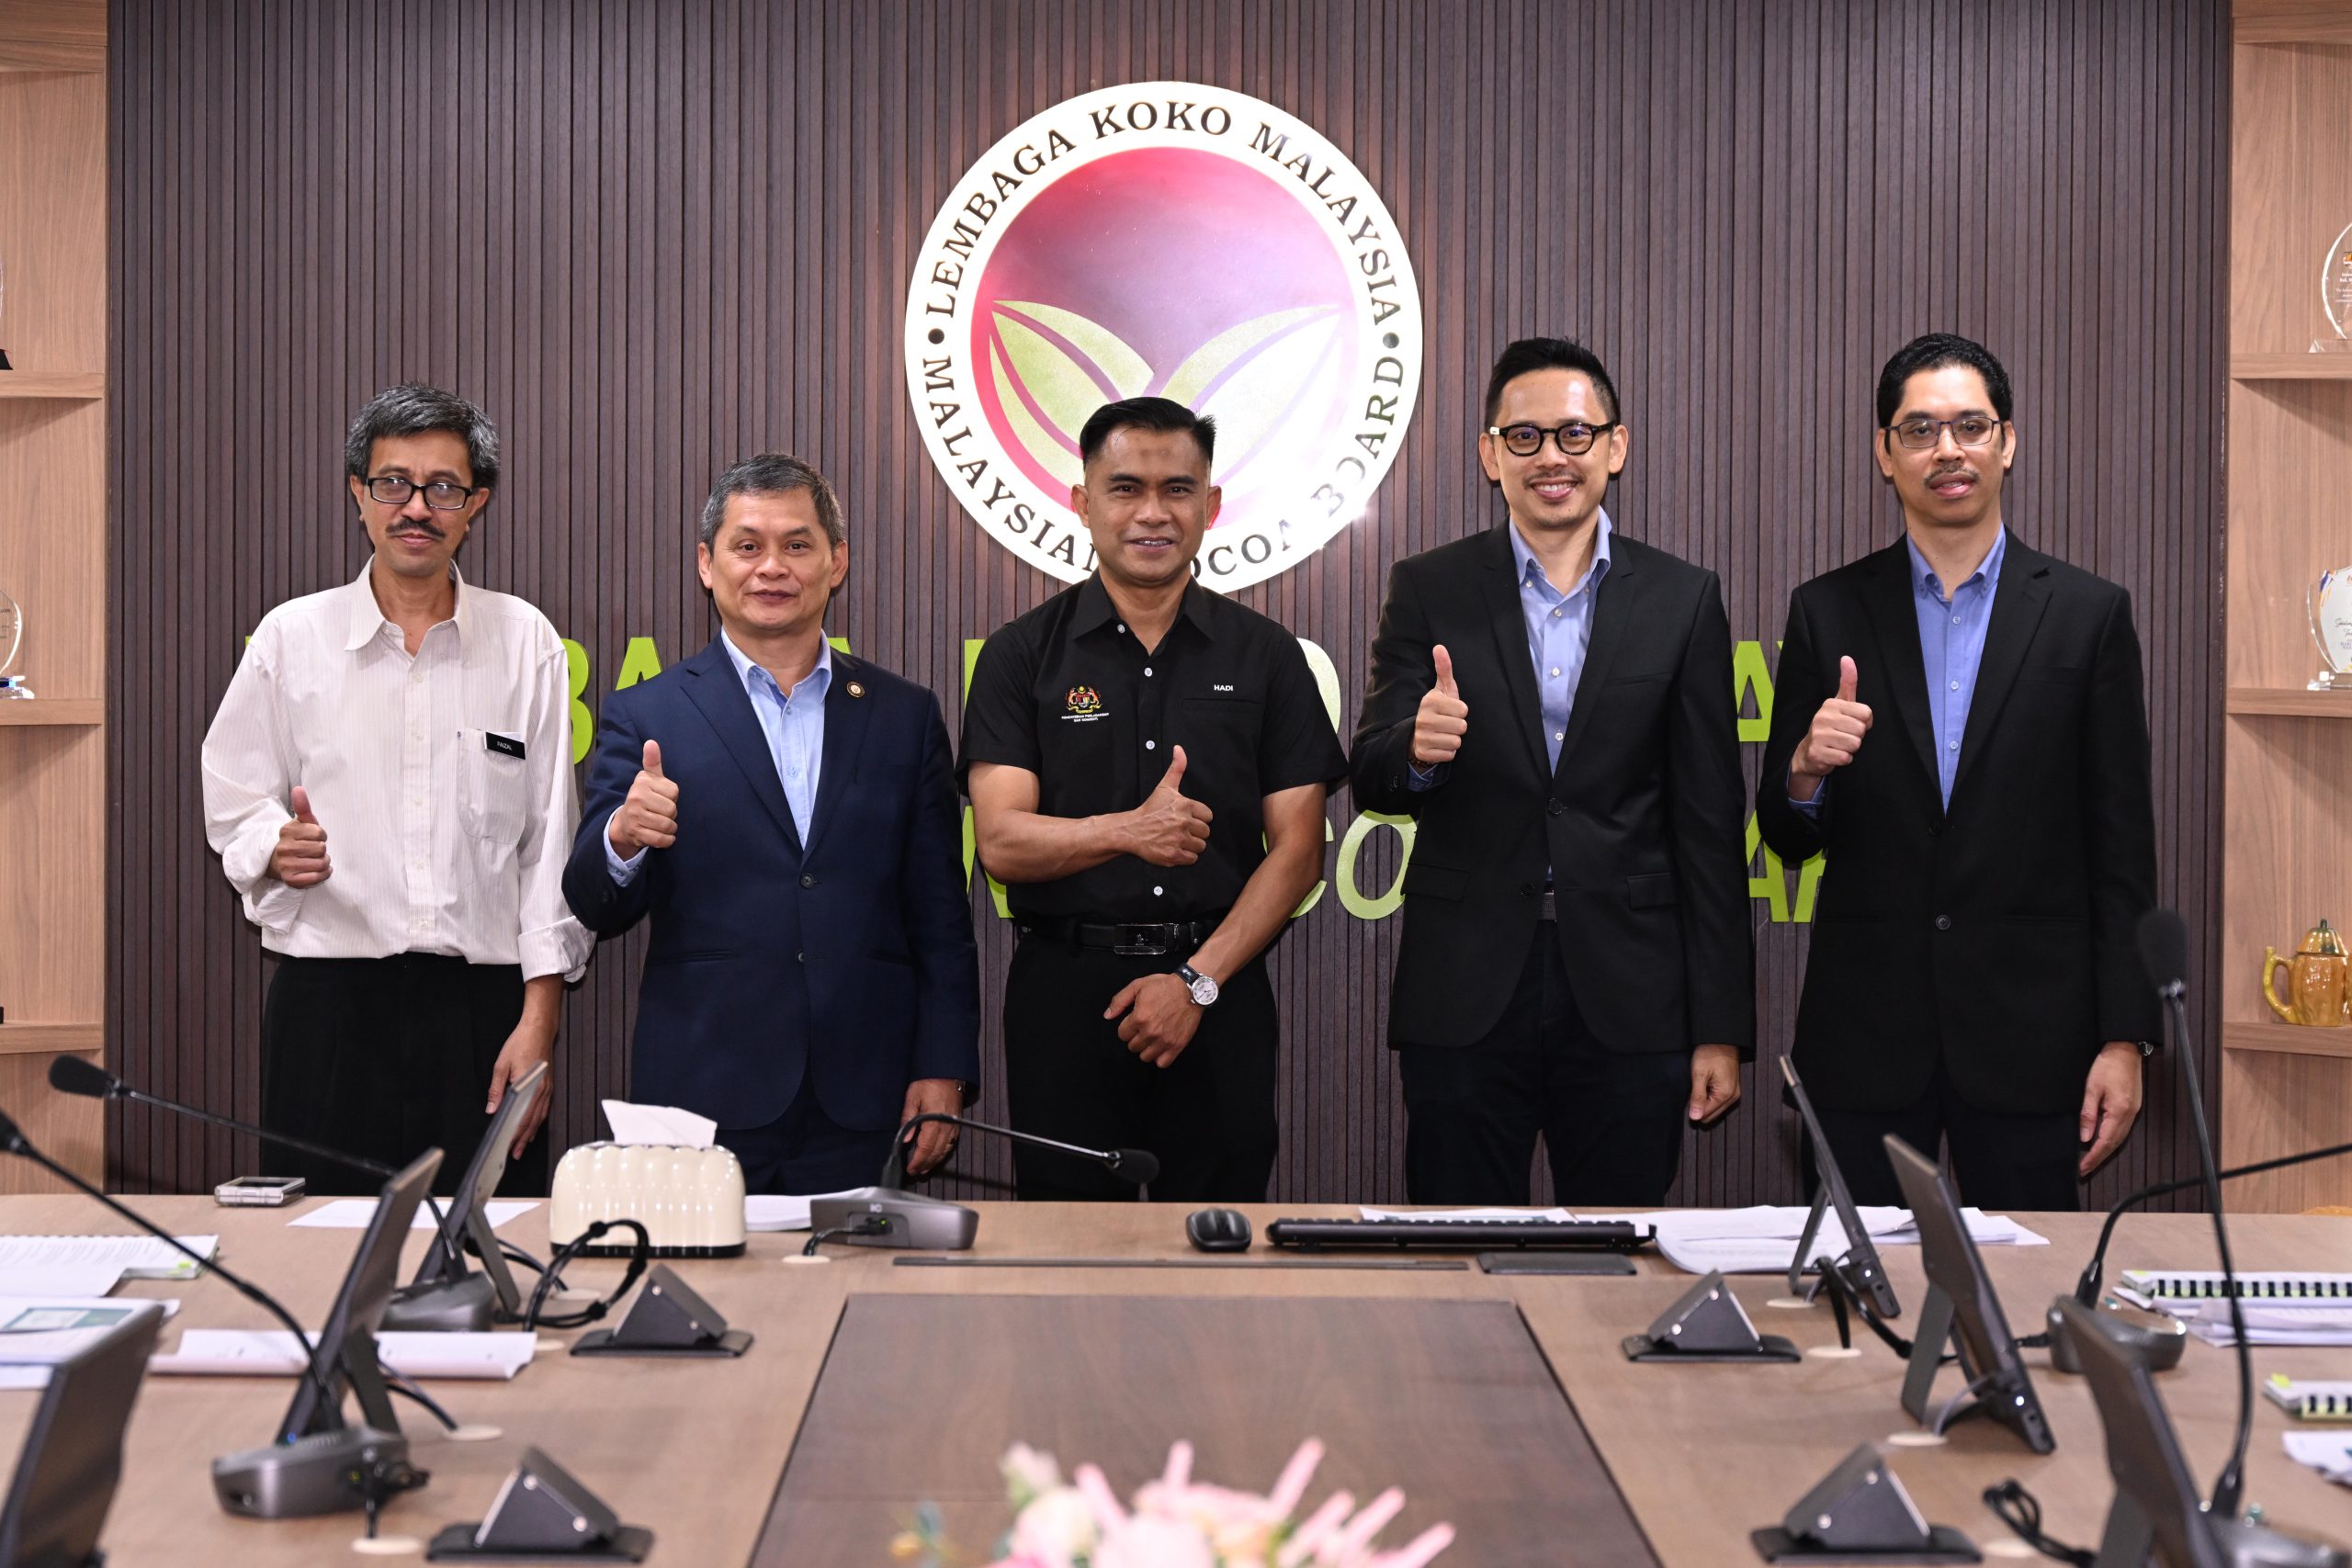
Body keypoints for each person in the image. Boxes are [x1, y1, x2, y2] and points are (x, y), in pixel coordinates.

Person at [1756, 333, 2159, 1212]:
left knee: (2028, 1288)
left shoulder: (2087, 616)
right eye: (1920, 429)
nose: (1948, 450)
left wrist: (2126, 1037)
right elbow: (1786, 837)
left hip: (2033, 1039)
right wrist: (1804, 770)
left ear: (2007, 442)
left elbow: (2123, 851)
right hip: (1865, 1039)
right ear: (1885, 452)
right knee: (1857, 1287)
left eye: (1970, 426)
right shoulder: (1826, 610)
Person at [1351, 337, 1753, 1207]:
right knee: (1458, 1249)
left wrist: (1720, 1027)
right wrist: (1416, 750)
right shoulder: (1428, 587)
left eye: (1575, 434)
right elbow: (1371, 773)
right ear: (1490, 454)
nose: (1551, 458)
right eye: (1524, 437)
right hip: (1466, 986)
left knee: (1620, 1250)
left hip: (1631, 993)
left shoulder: (1682, 598)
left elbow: (1710, 825)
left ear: (1616, 445)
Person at [202, 384, 588, 1196]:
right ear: (358, 493)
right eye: (393, 484)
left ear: (476, 502)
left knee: (491, 1249)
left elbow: (549, 850)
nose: (416, 507)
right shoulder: (291, 638)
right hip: (328, 1011)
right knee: (318, 1251)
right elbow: (234, 799)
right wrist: (273, 846)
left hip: (485, 1017)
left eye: (443, 487)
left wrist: (540, 1023)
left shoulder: (527, 643)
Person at [562, 454, 978, 1194]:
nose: (772, 567)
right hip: (701, 1092)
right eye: (747, 545)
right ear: (707, 563)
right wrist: (622, 837)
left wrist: (943, 1064)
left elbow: (941, 914)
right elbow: (595, 899)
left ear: (836, 561)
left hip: (866, 1093)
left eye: (797, 544)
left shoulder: (904, 716)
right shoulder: (648, 713)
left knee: (858, 1269)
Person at [963, 397, 1343, 1201]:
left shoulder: (1269, 656)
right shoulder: (1020, 656)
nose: (1152, 512)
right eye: (1126, 488)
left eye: (1177, 489)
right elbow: (1001, 841)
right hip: (1066, 999)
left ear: (1211, 505)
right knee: (1065, 1248)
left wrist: (1196, 982)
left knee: (1218, 1244)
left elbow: (1300, 851)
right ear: (1082, 501)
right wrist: (1127, 830)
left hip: (1220, 990)